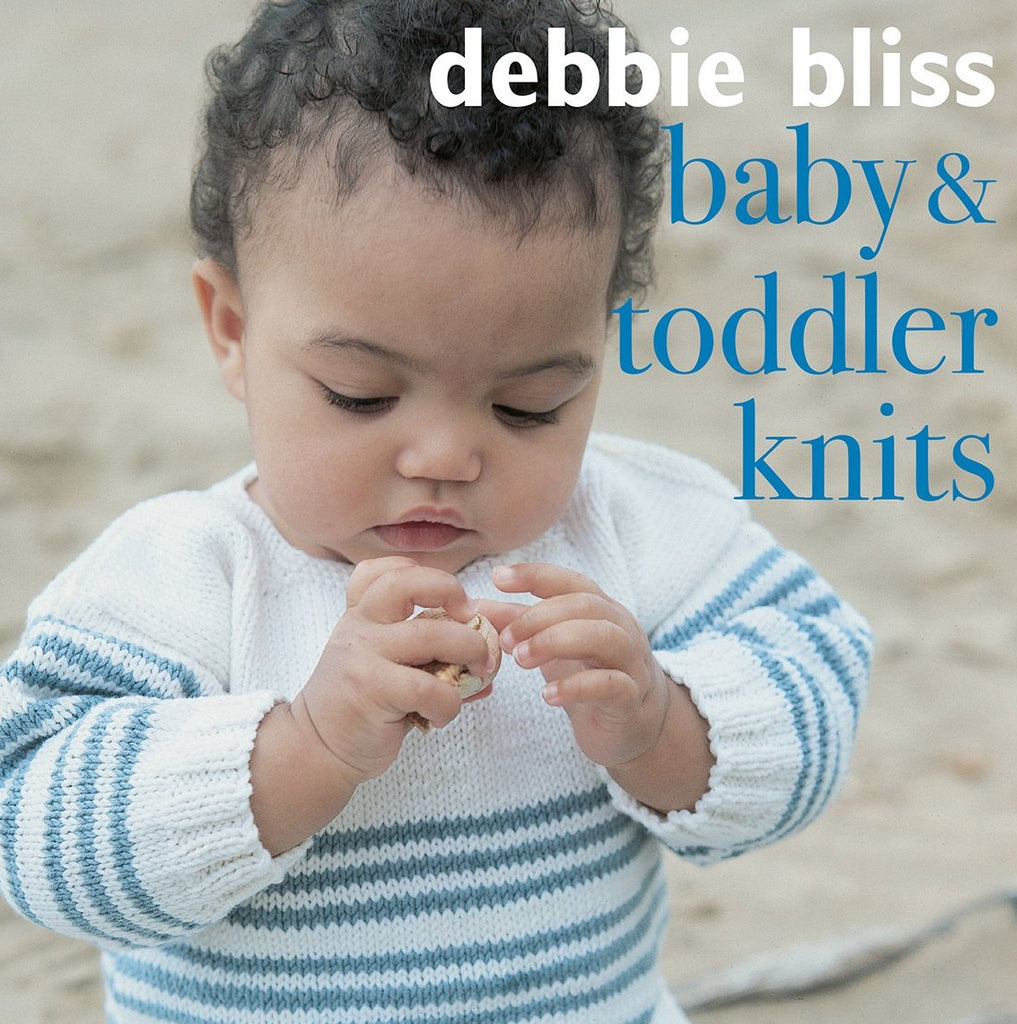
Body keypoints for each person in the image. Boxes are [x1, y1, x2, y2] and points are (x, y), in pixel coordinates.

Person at [0, 1, 871, 1022]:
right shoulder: (180, 574)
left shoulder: (635, 525)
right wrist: (306, 746)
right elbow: (33, 833)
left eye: (528, 405)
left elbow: (817, 671)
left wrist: (660, 718)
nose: (446, 456)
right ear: (231, 328)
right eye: (361, 394)